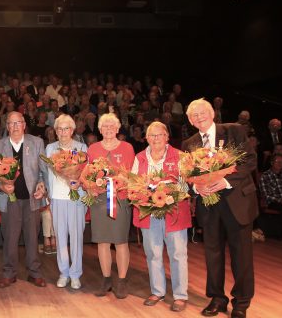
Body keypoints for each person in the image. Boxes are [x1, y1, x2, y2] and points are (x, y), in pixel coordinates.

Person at [182, 98, 257, 318]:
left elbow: (250, 161)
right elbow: (187, 175)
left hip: (237, 202)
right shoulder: (190, 143)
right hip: (209, 205)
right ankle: (217, 299)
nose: (198, 116)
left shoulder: (234, 130)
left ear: (212, 113)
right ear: (189, 120)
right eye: (193, 115)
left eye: (202, 112)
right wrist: (196, 187)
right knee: (212, 254)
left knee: (241, 256)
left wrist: (226, 182)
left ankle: (241, 302)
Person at [131, 122, 191, 312]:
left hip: (174, 212)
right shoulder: (139, 158)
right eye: (152, 136)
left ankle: (180, 295)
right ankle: (157, 291)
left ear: (167, 137)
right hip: (149, 213)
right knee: (153, 253)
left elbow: (185, 186)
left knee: (178, 254)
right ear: (146, 138)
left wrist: (169, 194)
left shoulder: (180, 156)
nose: (156, 139)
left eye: (159, 135)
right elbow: (133, 185)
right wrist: (143, 195)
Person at [0, 111, 48, 288]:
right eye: (11, 123)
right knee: (9, 238)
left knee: (32, 237)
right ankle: (9, 273)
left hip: (32, 198)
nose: (15, 126)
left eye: (18, 123)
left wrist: (41, 185)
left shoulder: (37, 143)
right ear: (6, 126)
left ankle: (34, 273)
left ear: (24, 125)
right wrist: (1, 186)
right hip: (9, 200)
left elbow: (43, 171)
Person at [87, 113, 135, 299]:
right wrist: (90, 186)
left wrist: (119, 180)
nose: (108, 129)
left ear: (117, 129)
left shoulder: (127, 147)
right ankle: (106, 279)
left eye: (111, 126)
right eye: (104, 126)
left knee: (121, 241)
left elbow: (131, 174)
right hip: (99, 200)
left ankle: (122, 280)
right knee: (102, 241)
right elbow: (87, 174)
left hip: (120, 199)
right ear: (99, 130)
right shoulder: (93, 148)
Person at [44, 114, 88, 290]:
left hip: (76, 199)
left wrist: (80, 182)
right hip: (57, 198)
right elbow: (46, 173)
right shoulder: (50, 149)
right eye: (59, 129)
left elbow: (86, 172)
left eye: (66, 128)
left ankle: (76, 273)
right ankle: (64, 272)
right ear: (55, 131)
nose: (63, 132)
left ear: (72, 130)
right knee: (60, 237)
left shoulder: (81, 147)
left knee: (76, 237)